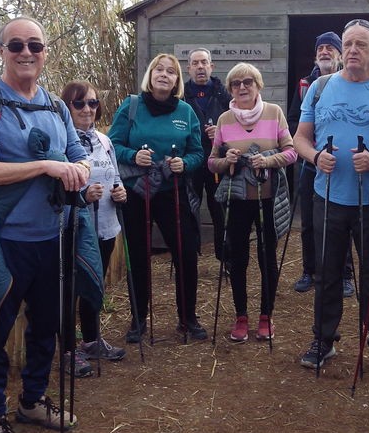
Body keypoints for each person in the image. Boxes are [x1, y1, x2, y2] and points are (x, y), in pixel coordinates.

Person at [0, 16, 91, 433]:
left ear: (45, 51)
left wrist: (80, 170)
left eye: (35, 44)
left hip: (52, 236)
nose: (26, 52)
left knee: (46, 327)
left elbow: (78, 154)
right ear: (2, 50)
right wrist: (46, 167)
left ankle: (32, 402)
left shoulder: (55, 106)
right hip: (6, 240)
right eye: (16, 44)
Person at [293, 18, 369, 374]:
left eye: (361, 44)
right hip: (327, 196)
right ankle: (323, 340)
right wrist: (316, 157)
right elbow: (299, 137)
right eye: (347, 44)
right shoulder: (320, 86)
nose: (352, 50)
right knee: (327, 273)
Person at [110, 53, 207, 342]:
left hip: (171, 190)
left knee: (186, 253)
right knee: (138, 255)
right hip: (136, 191)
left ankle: (187, 318)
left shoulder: (186, 112)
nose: (164, 75)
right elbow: (112, 144)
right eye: (159, 70)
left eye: (171, 71)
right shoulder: (131, 106)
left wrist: (185, 164)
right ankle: (139, 319)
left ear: (178, 79)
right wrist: (133, 155)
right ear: (150, 75)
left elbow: (198, 152)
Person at [208, 63, 297, 342]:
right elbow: (212, 162)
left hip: (267, 199)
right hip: (237, 200)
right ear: (231, 89)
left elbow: (292, 152)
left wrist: (268, 160)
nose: (242, 87)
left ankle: (265, 316)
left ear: (258, 85)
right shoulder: (224, 119)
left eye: (248, 82)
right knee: (238, 259)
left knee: (266, 257)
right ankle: (241, 316)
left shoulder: (274, 113)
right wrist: (227, 160)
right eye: (236, 83)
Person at [62, 80, 128, 364]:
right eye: (79, 103)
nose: (87, 109)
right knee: (71, 288)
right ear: (67, 107)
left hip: (105, 224)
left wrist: (120, 191)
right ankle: (67, 349)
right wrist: (81, 195)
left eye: (92, 103)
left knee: (94, 284)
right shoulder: (62, 141)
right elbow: (56, 184)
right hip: (74, 226)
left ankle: (90, 341)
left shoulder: (104, 140)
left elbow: (114, 175)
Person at [288, 32, 354, 298]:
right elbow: (293, 120)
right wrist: (309, 144)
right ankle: (309, 270)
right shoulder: (305, 84)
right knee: (308, 221)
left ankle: (345, 274)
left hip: (340, 161)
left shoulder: (350, 81)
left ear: (339, 54)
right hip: (310, 161)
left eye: (330, 48)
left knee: (344, 217)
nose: (325, 51)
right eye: (321, 48)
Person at [183, 48, 231, 261]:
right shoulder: (181, 95)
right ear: (189, 68)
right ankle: (190, 255)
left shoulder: (224, 94)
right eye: (195, 63)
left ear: (212, 66)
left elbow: (236, 123)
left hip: (217, 161)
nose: (200, 67)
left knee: (219, 210)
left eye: (204, 62)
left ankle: (224, 257)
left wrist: (221, 132)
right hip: (191, 161)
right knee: (189, 209)